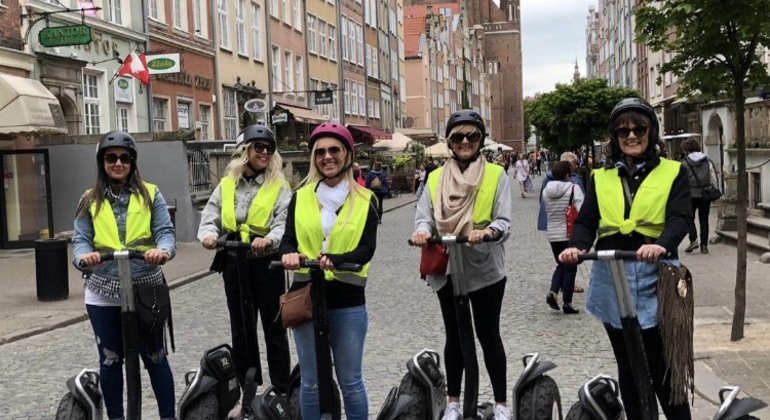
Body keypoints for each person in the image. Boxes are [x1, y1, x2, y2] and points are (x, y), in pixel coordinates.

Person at [559, 98, 692, 420]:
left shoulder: (674, 171)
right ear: (614, 138)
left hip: (655, 274)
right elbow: (587, 220)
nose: (631, 135)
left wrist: (661, 244)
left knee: (660, 363)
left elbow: (680, 217)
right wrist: (575, 248)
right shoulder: (600, 177)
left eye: (638, 128)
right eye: (622, 131)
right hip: (612, 274)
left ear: (651, 131)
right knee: (628, 363)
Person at [410, 109, 512, 420]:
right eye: (458, 137)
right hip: (449, 268)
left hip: (485, 268)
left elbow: (504, 220)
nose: (465, 141)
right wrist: (423, 231)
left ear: (481, 140)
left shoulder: (496, 175)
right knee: (454, 336)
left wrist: (489, 231)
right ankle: (454, 403)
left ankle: (501, 405)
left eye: (472, 136)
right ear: (450, 142)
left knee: (488, 334)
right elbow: (423, 215)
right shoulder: (436, 177)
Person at [72, 131, 176, 420]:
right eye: (111, 157)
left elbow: (165, 233)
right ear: (102, 161)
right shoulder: (88, 199)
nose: (118, 163)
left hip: (146, 286)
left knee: (155, 357)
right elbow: (80, 239)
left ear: (132, 162)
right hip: (103, 289)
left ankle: (168, 416)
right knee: (110, 359)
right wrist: (83, 257)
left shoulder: (151, 193)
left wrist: (162, 251)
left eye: (124, 158)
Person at [279, 122, 379, 420]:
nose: (327, 157)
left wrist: (336, 258)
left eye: (334, 150)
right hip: (306, 297)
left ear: (347, 154)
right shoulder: (301, 196)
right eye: (320, 151)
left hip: (347, 300)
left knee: (350, 380)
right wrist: (289, 255)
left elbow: (366, 249)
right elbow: (287, 240)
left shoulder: (366, 199)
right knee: (310, 381)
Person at [197, 124, 291, 415]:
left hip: (267, 261)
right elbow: (210, 215)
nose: (264, 153)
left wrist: (270, 240)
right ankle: (246, 391)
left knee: (274, 328)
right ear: (245, 151)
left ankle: (281, 390)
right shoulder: (227, 185)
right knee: (241, 328)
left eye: (269, 148)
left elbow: (283, 221)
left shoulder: (279, 185)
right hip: (235, 260)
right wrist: (208, 236)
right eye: (258, 147)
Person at [543, 161, 585, 314]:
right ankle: (567, 302)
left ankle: (553, 292)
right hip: (569, 232)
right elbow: (582, 210)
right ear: (568, 174)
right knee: (570, 267)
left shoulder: (546, 191)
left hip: (553, 233)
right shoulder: (574, 188)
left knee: (561, 264)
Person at [680, 138, 718, 254]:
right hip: (705, 194)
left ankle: (693, 239)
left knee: (689, 218)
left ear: (686, 150)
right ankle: (704, 246)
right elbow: (713, 178)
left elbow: (682, 181)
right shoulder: (708, 161)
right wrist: (713, 189)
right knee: (704, 220)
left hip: (690, 194)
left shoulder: (685, 163)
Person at [365, 158, 389, 223]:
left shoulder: (370, 174)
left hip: (372, 192)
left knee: (373, 206)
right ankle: (379, 219)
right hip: (380, 192)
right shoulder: (382, 174)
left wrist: (366, 190)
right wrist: (385, 191)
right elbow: (385, 183)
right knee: (380, 205)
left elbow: (367, 183)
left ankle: (373, 219)